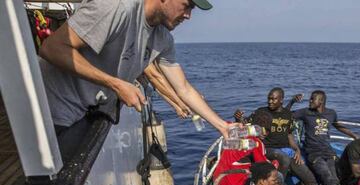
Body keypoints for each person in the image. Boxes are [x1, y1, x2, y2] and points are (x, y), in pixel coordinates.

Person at [39, 0, 231, 138]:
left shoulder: (163, 38)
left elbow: (184, 89)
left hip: (85, 116)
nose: (188, 16)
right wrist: (115, 84)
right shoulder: (116, 7)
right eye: (187, 5)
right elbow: (52, 48)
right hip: (53, 112)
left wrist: (223, 126)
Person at [235, 87, 325, 185]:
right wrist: (238, 119)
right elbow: (245, 125)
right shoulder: (261, 112)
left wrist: (297, 150)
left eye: (273, 99)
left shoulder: (288, 115)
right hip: (268, 149)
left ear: (281, 100)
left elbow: (289, 135)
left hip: (286, 149)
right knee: (282, 157)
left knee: (309, 177)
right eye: (269, 98)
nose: (270, 101)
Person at [288, 90, 358, 185]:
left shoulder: (331, 113)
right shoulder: (305, 112)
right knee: (327, 176)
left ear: (321, 101)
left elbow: (338, 126)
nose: (309, 101)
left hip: (328, 151)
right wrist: (292, 101)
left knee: (335, 178)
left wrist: (354, 136)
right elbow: (285, 115)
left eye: (312, 99)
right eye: (310, 99)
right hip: (313, 153)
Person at [213, 136, 277, 185]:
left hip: (219, 184)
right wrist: (275, 163)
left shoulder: (232, 138)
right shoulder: (255, 142)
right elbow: (265, 166)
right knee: (273, 175)